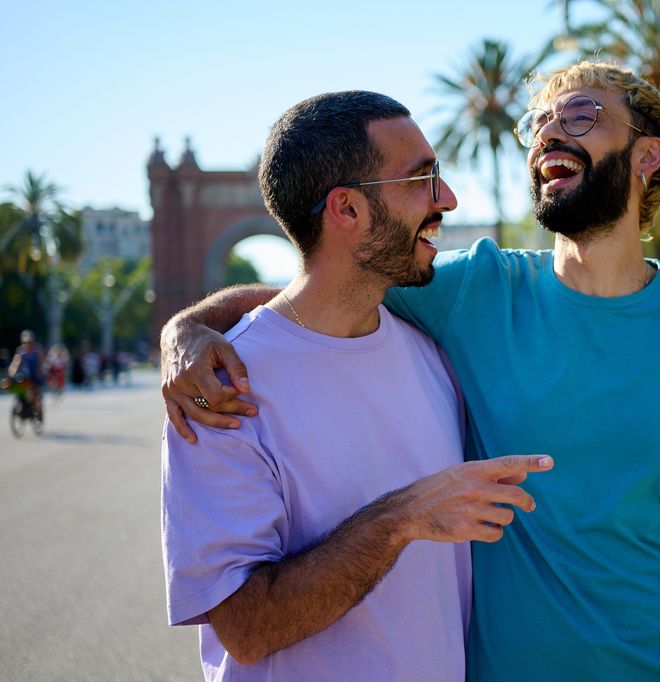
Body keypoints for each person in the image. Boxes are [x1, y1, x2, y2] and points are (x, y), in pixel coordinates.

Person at [163, 62, 660, 680]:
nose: (550, 132)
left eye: (581, 116)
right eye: (539, 122)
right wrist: (186, 329)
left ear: (648, 156)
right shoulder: (475, 290)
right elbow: (326, 281)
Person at [159, 90, 553, 681]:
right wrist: (401, 518)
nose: (447, 198)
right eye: (422, 180)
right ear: (346, 210)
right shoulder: (220, 388)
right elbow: (245, 629)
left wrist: (184, 324)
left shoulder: (433, 349)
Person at [8, 330, 45, 414]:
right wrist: (11, 372)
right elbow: (15, 363)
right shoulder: (20, 351)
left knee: (35, 391)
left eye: (30, 342)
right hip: (25, 375)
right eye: (26, 342)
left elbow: (41, 363)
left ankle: (37, 410)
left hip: (35, 374)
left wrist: (40, 371)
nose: (28, 344)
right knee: (20, 389)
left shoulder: (38, 350)